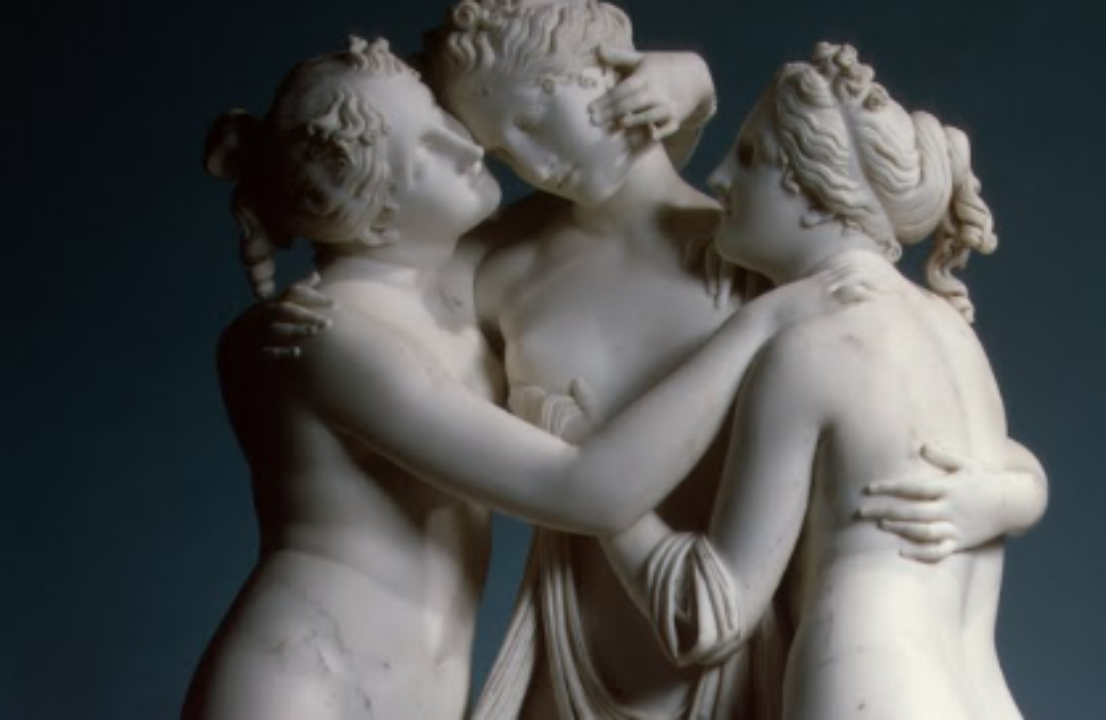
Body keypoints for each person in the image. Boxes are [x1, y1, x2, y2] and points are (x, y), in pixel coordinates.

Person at [182, 36, 859, 720]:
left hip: (417, 690)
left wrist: (690, 82)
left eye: (442, 118)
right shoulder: (332, 337)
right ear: (375, 219)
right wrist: (764, 323)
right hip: (305, 680)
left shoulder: (458, 279)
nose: (468, 147)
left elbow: (624, 192)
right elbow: (587, 493)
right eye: (425, 154)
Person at [412, 3, 1049, 718]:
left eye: (532, 119)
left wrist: (694, 87)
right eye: (501, 150)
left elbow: (707, 602)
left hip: (748, 660)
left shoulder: (767, 277)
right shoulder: (500, 267)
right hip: (583, 648)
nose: (529, 164)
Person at [599, 42, 1045, 720]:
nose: (719, 178)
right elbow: (1023, 475)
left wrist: (605, 499)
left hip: (869, 684)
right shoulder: (952, 332)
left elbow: (711, 615)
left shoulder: (810, 349)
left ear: (813, 195)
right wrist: (1017, 498)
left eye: (749, 157)